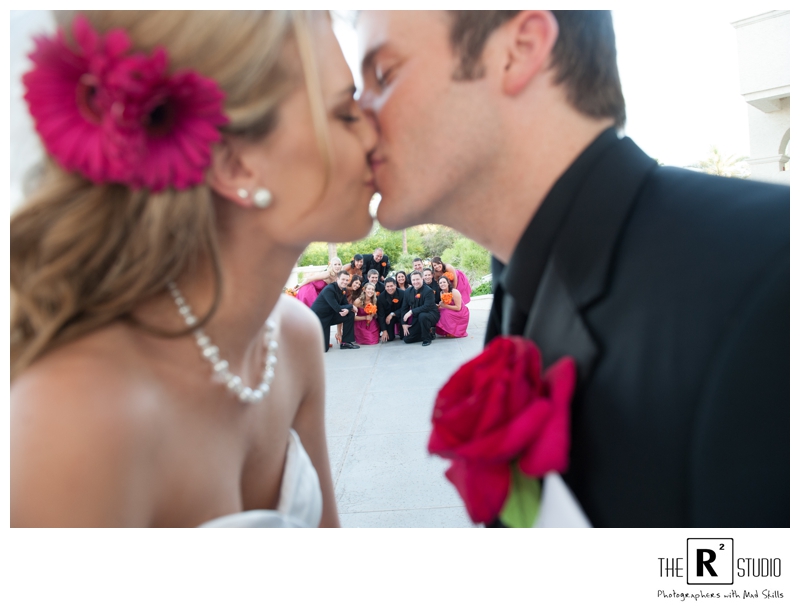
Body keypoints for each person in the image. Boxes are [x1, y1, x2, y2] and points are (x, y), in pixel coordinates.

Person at [357, 11, 788, 526]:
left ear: (518, 50)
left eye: (383, 75)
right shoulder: (520, 280)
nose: (355, 117)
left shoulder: (770, 276)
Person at [11, 10, 378, 528]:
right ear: (235, 165)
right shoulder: (80, 417)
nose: (374, 136)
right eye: (345, 114)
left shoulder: (293, 340)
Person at [311, 271, 360, 352]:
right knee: (324, 349)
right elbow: (337, 308)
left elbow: (344, 304)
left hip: (330, 315)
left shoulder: (343, 289)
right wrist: (351, 306)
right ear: (337, 279)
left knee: (350, 314)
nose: (345, 282)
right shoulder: (329, 290)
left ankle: (345, 343)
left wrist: (348, 309)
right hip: (319, 319)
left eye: (347, 280)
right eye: (343, 279)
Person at [400, 270, 440, 347]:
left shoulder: (428, 291)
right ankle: (430, 333)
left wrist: (411, 312)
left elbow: (427, 307)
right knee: (407, 339)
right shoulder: (407, 292)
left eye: (417, 279)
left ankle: (427, 338)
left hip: (431, 315)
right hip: (417, 316)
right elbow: (404, 308)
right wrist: (403, 323)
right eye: (413, 280)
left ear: (422, 279)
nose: (415, 282)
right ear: (411, 281)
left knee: (422, 315)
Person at [377, 277, 404, 342]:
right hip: (388, 319)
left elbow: (404, 308)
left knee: (404, 337)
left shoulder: (402, 293)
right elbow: (381, 315)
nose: (390, 288)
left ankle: (402, 332)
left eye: (391, 286)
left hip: (400, 315)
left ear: (395, 285)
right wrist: (384, 330)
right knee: (389, 338)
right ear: (385, 287)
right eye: (387, 286)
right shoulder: (381, 297)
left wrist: (392, 314)